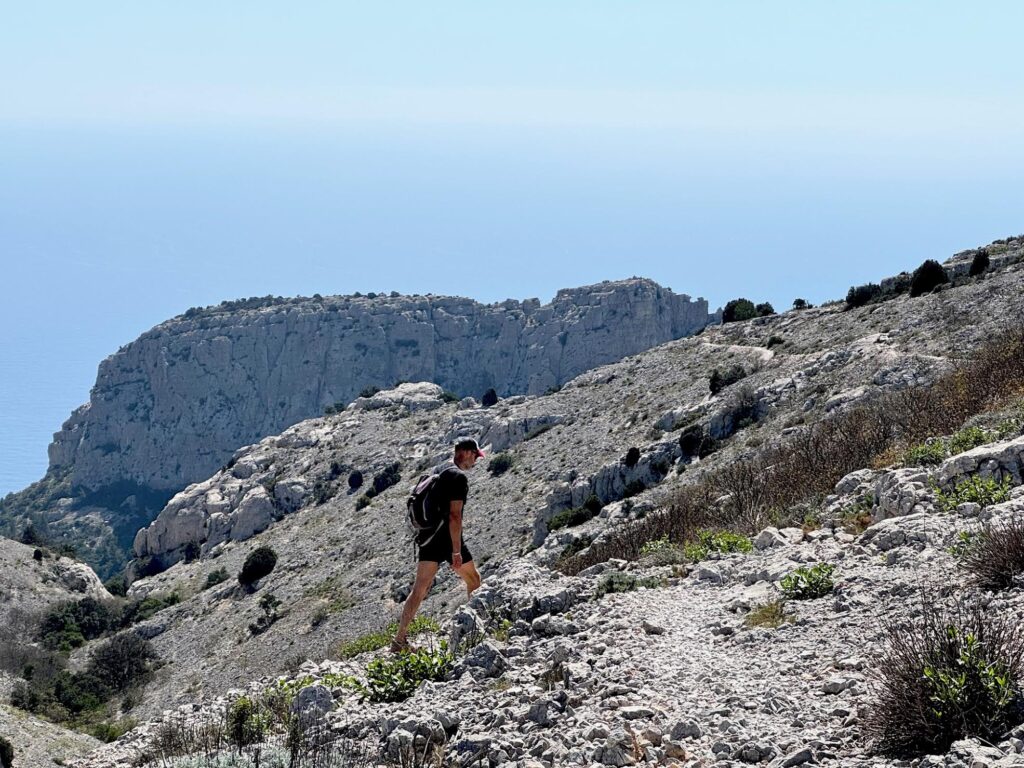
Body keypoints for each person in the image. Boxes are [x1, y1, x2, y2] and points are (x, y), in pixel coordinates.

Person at [391, 438, 485, 653]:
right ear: (466, 453)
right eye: (475, 456)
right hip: (446, 537)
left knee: (419, 590)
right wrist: (455, 550)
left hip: (427, 536)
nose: (476, 461)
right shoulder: (458, 478)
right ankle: (475, 629)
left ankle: (399, 640)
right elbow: (454, 515)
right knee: (474, 579)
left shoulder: (440, 468)